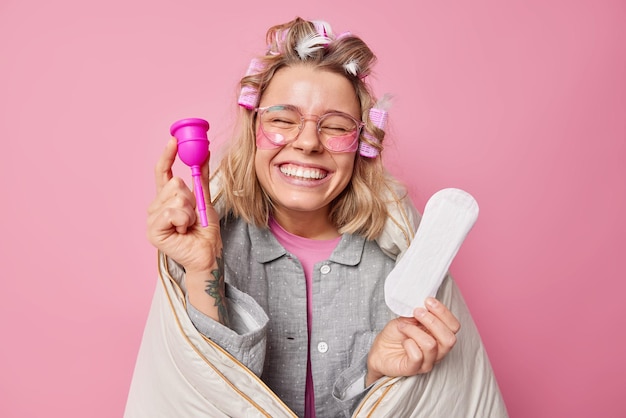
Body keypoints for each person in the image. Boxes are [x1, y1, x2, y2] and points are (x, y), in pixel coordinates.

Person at [128, 17, 508, 418]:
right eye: (282, 120)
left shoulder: (404, 262)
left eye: (337, 126)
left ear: (362, 144)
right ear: (254, 128)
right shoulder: (213, 243)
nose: (308, 142)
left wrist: (376, 374)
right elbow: (207, 396)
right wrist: (204, 269)